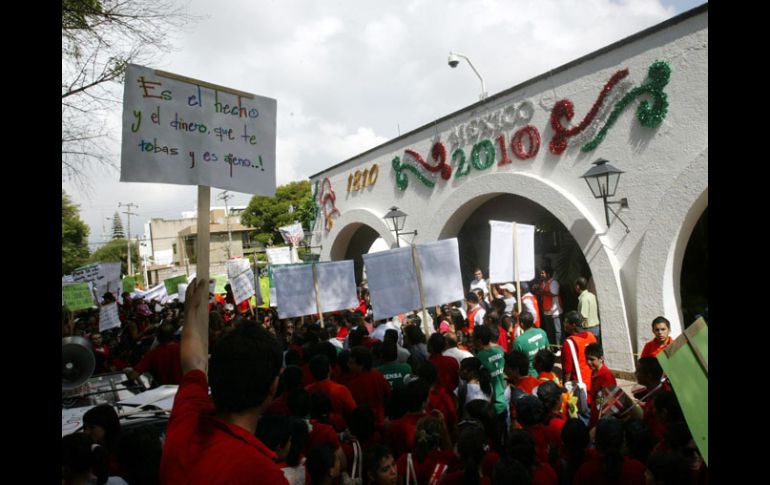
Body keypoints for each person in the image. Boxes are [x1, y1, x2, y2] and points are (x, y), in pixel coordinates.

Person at [160, 278, 288, 484]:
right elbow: (193, 365)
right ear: (273, 387)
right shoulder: (262, 474)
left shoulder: (185, 425)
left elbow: (193, 364)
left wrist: (191, 311)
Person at [561, 310, 597, 395]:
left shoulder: (569, 343)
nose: (564, 325)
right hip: (593, 382)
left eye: (566, 322)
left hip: (580, 387)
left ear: (573, 325)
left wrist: (565, 389)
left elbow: (567, 370)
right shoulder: (591, 336)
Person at [585, 343, 617, 428]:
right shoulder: (595, 372)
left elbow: (609, 405)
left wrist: (597, 426)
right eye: (587, 359)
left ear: (601, 359)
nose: (588, 362)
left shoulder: (606, 376)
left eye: (592, 359)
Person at [511, 311, 548, 377]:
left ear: (521, 324)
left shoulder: (519, 341)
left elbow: (515, 363)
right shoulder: (542, 332)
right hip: (543, 373)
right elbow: (548, 350)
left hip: (529, 377)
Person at [538, 267, 563, 347]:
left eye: (543, 273)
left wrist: (542, 293)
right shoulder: (543, 283)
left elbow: (553, 293)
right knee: (550, 331)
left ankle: (558, 347)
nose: (541, 274)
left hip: (555, 312)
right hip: (546, 311)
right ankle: (553, 347)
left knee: (557, 331)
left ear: (548, 274)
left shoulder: (554, 283)